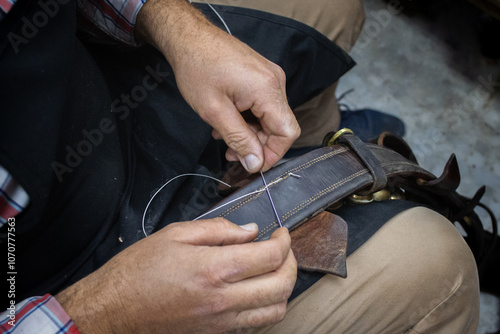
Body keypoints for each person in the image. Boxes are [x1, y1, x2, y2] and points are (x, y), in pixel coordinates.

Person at [0, 0, 479, 333]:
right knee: (442, 266)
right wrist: (108, 314)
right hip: (71, 276)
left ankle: (315, 142)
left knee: (329, 13)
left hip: (100, 100)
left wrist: (174, 26)